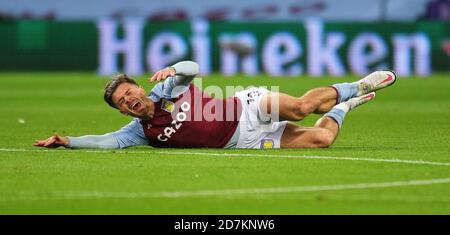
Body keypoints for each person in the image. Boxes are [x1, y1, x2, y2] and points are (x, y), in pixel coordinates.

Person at [33, 61, 396, 149]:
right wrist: (69, 141)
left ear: (139, 89)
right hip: (246, 142)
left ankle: (353, 86)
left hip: (247, 107)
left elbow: (193, 69)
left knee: (302, 108)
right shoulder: (139, 133)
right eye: (121, 102)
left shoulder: (167, 90)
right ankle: (343, 108)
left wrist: (175, 68)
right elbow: (104, 141)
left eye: (128, 92)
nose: (128, 100)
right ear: (123, 111)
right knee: (322, 141)